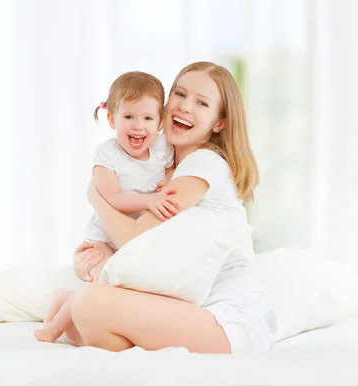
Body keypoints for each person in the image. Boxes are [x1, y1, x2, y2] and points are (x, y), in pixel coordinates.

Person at [68, 61, 277, 355]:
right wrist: (98, 257)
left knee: (89, 304)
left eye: (202, 102)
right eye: (179, 94)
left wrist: (96, 197)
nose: (185, 107)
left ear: (219, 123)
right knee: (92, 320)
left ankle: (74, 304)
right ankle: (74, 306)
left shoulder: (203, 164)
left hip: (228, 321)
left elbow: (134, 239)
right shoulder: (162, 166)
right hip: (187, 307)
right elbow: (146, 253)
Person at [35, 71, 176, 343]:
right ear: (112, 119)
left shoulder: (164, 148)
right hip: (104, 238)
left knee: (125, 293)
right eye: (128, 117)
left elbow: (170, 178)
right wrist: (150, 200)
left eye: (147, 118)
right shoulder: (107, 153)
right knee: (107, 281)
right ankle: (56, 324)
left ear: (159, 122)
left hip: (137, 239)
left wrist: (167, 182)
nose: (138, 126)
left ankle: (64, 299)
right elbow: (111, 197)